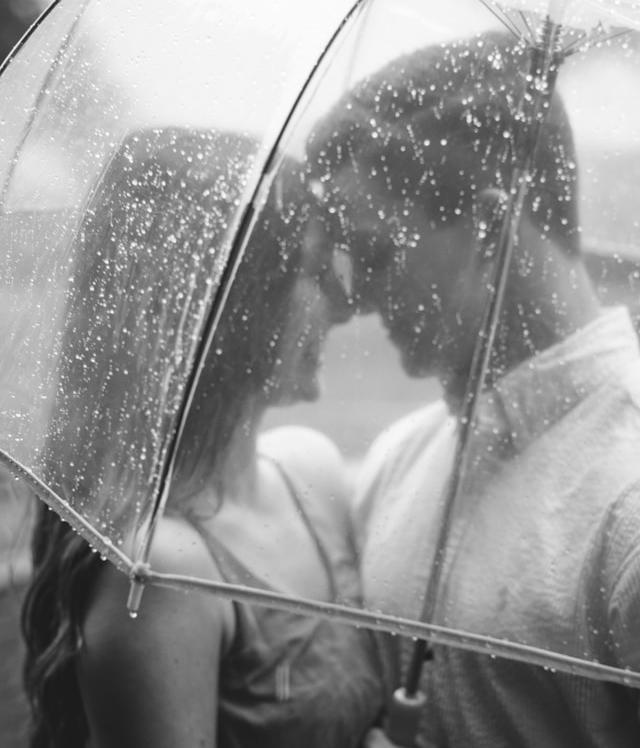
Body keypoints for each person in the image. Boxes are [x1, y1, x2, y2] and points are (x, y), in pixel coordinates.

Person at [307, 30, 640, 747]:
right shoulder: (396, 463)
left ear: (488, 224)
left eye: (376, 252)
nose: (356, 298)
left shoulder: (630, 505)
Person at [21, 127, 384, 747]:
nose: (345, 305)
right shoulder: (164, 571)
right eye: (315, 271)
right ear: (234, 303)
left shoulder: (312, 472)